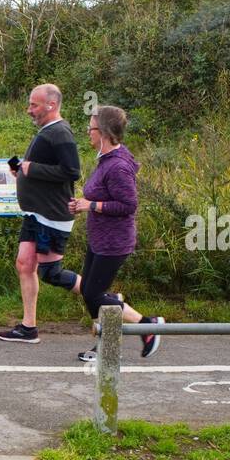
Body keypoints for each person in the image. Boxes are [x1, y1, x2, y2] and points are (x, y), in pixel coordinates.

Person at [68, 105, 163, 361]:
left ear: (105, 132)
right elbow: (102, 196)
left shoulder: (117, 166)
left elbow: (129, 205)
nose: (88, 132)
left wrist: (92, 206)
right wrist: (82, 204)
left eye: (91, 128)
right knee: (90, 291)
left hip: (114, 243)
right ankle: (111, 339)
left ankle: (147, 325)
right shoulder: (106, 159)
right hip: (99, 239)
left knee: (93, 294)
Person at [0, 84, 82, 344]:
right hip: (35, 214)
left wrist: (31, 169)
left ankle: (105, 299)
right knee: (24, 264)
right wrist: (22, 171)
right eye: (30, 104)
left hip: (52, 215)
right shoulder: (48, 131)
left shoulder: (60, 132)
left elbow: (72, 171)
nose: (29, 110)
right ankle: (28, 327)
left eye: (34, 105)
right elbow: (46, 169)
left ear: (51, 105)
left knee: (51, 274)